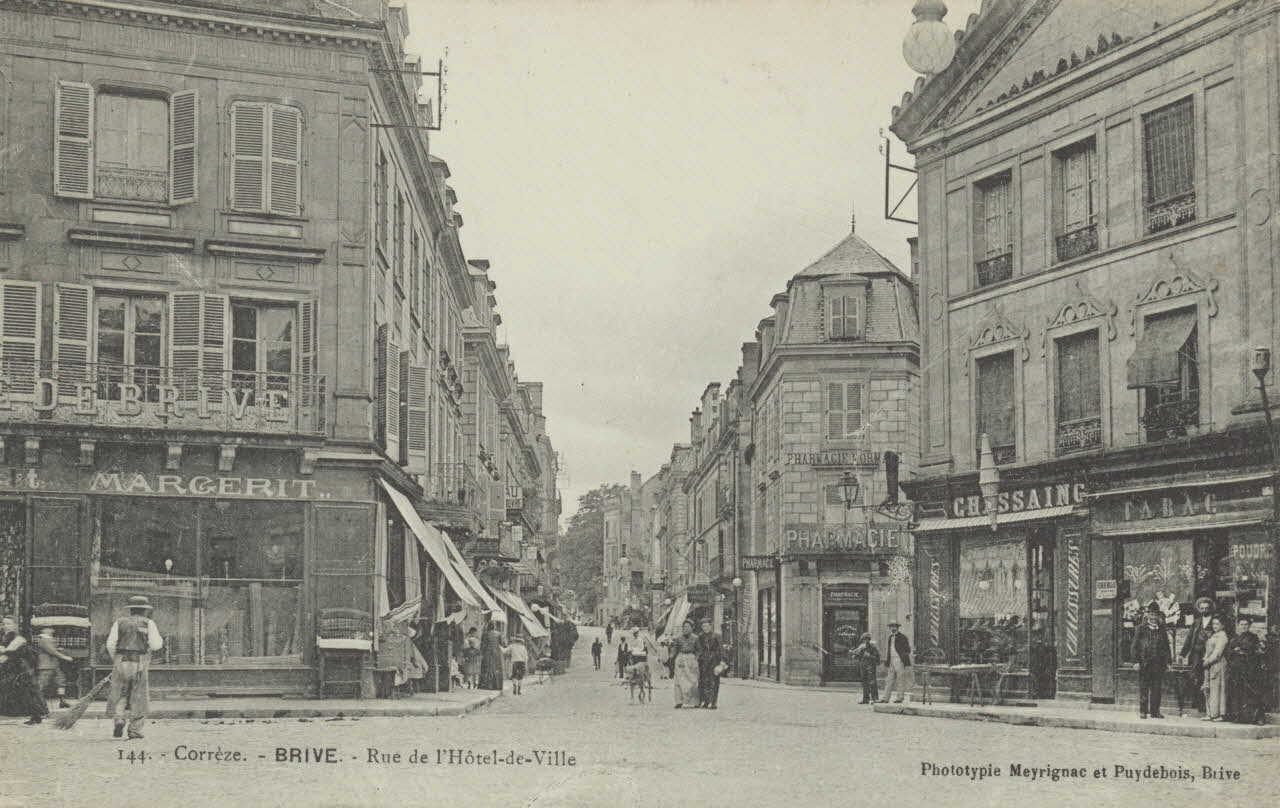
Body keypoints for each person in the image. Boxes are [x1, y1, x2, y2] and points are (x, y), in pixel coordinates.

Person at [106, 595, 163, 739]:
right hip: (140, 661)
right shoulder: (148, 623)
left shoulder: (119, 622)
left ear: (130, 610)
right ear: (145, 610)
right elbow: (156, 645)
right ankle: (135, 730)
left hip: (121, 660)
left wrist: (117, 659)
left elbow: (110, 644)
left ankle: (119, 718)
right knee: (139, 695)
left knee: (121, 692)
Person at [0, 615, 48, 725]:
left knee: (26, 692)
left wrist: (3, 650)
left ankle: (36, 715)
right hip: (9, 667)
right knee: (15, 692)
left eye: (8, 624)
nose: (5, 626)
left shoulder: (18, 637)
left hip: (19, 668)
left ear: (15, 625)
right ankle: (35, 716)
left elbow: (10, 650)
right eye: (4, 624)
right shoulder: (5, 636)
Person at [1130, 600, 1172, 719]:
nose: (1153, 617)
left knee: (1157, 689)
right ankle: (1143, 711)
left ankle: (1155, 711)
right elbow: (1134, 646)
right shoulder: (1140, 629)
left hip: (1158, 664)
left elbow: (1166, 647)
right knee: (1144, 688)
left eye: (1155, 615)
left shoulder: (1162, 629)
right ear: (1147, 615)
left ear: (1158, 616)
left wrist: (1168, 662)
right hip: (1144, 663)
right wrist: (1135, 662)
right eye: (1151, 614)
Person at [1225, 616, 1266, 724]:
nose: (1244, 627)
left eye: (1246, 625)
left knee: (1250, 693)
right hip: (1236, 670)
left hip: (1249, 670)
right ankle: (1240, 717)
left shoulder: (1253, 637)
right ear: (1238, 626)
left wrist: (1240, 650)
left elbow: (1252, 650)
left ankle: (1256, 718)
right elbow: (1228, 652)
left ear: (1249, 626)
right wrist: (1235, 650)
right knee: (1238, 694)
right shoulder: (1234, 638)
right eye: (1241, 624)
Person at [1178, 596, 1215, 713]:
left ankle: (1209, 705)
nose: (1204, 610)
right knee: (1197, 677)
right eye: (1202, 608)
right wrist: (1183, 653)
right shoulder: (1197, 622)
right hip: (1196, 654)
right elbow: (1189, 638)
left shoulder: (1215, 621)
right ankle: (1199, 704)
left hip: (1209, 654)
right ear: (1199, 609)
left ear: (1210, 608)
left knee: (1208, 677)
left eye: (1206, 608)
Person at [34, 626, 72, 709]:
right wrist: (64, 657)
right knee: (42, 685)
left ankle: (62, 701)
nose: (51, 630)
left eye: (51, 628)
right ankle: (37, 704)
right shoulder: (43, 639)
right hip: (46, 665)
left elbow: (53, 650)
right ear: (43, 630)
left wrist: (59, 649)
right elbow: (52, 651)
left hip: (54, 665)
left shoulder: (49, 639)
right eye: (48, 628)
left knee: (60, 681)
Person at [1200, 615, 1229, 722]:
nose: (1214, 626)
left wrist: (1207, 661)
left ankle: (1219, 714)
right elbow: (1208, 650)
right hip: (1210, 664)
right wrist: (1205, 659)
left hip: (1218, 665)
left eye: (1217, 624)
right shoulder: (1214, 635)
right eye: (1213, 624)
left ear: (1222, 625)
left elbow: (1217, 653)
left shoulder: (1222, 636)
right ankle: (1210, 713)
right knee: (1209, 688)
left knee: (1218, 689)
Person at [696, 617, 724, 709]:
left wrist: (721, 661)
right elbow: (699, 649)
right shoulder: (700, 637)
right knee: (704, 682)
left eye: (707, 626)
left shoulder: (717, 636)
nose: (705, 628)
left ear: (710, 626)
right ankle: (706, 700)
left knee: (714, 682)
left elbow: (720, 650)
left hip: (714, 662)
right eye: (703, 626)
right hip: (703, 662)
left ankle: (714, 702)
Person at [671, 620, 700, 709]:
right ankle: (679, 701)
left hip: (691, 659)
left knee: (693, 680)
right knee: (678, 680)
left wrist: (696, 659)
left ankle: (695, 702)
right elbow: (674, 650)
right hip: (680, 659)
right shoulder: (678, 638)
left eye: (688, 627)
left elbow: (699, 650)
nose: (685, 629)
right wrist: (671, 657)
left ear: (692, 628)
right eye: (684, 627)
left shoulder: (696, 638)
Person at [881, 622, 912, 704]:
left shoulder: (902, 637)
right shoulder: (890, 637)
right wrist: (888, 662)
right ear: (889, 628)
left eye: (894, 626)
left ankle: (900, 697)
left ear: (897, 628)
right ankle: (885, 698)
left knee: (900, 679)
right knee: (889, 680)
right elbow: (889, 651)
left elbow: (908, 650)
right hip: (892, 661)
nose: (893, 628)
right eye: (891, 627)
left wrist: (903, 658)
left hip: (899, 661)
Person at [850, 633, 880, 704]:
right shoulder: (861, 648)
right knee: (864, 683)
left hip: (870, 667)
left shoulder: (873, 647)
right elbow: (859, 656)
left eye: (866, 639)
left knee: (872, 682)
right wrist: (854, 655)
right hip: (863, 666)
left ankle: (874, 698)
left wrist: (869, 655)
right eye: (863, 639)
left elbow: (877, 658)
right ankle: (865, 699)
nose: (865, 641)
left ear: (869, 639)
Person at [478, 619, 505, 691]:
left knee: (487, 668)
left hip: (487, 652)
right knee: (496, 668)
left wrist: (481, 652)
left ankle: (486, 685)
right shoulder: (499, 634)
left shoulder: (485, 634)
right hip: (496, 653)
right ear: (494, 626)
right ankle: (496, 685)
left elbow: (482, 644)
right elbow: (501, 644)